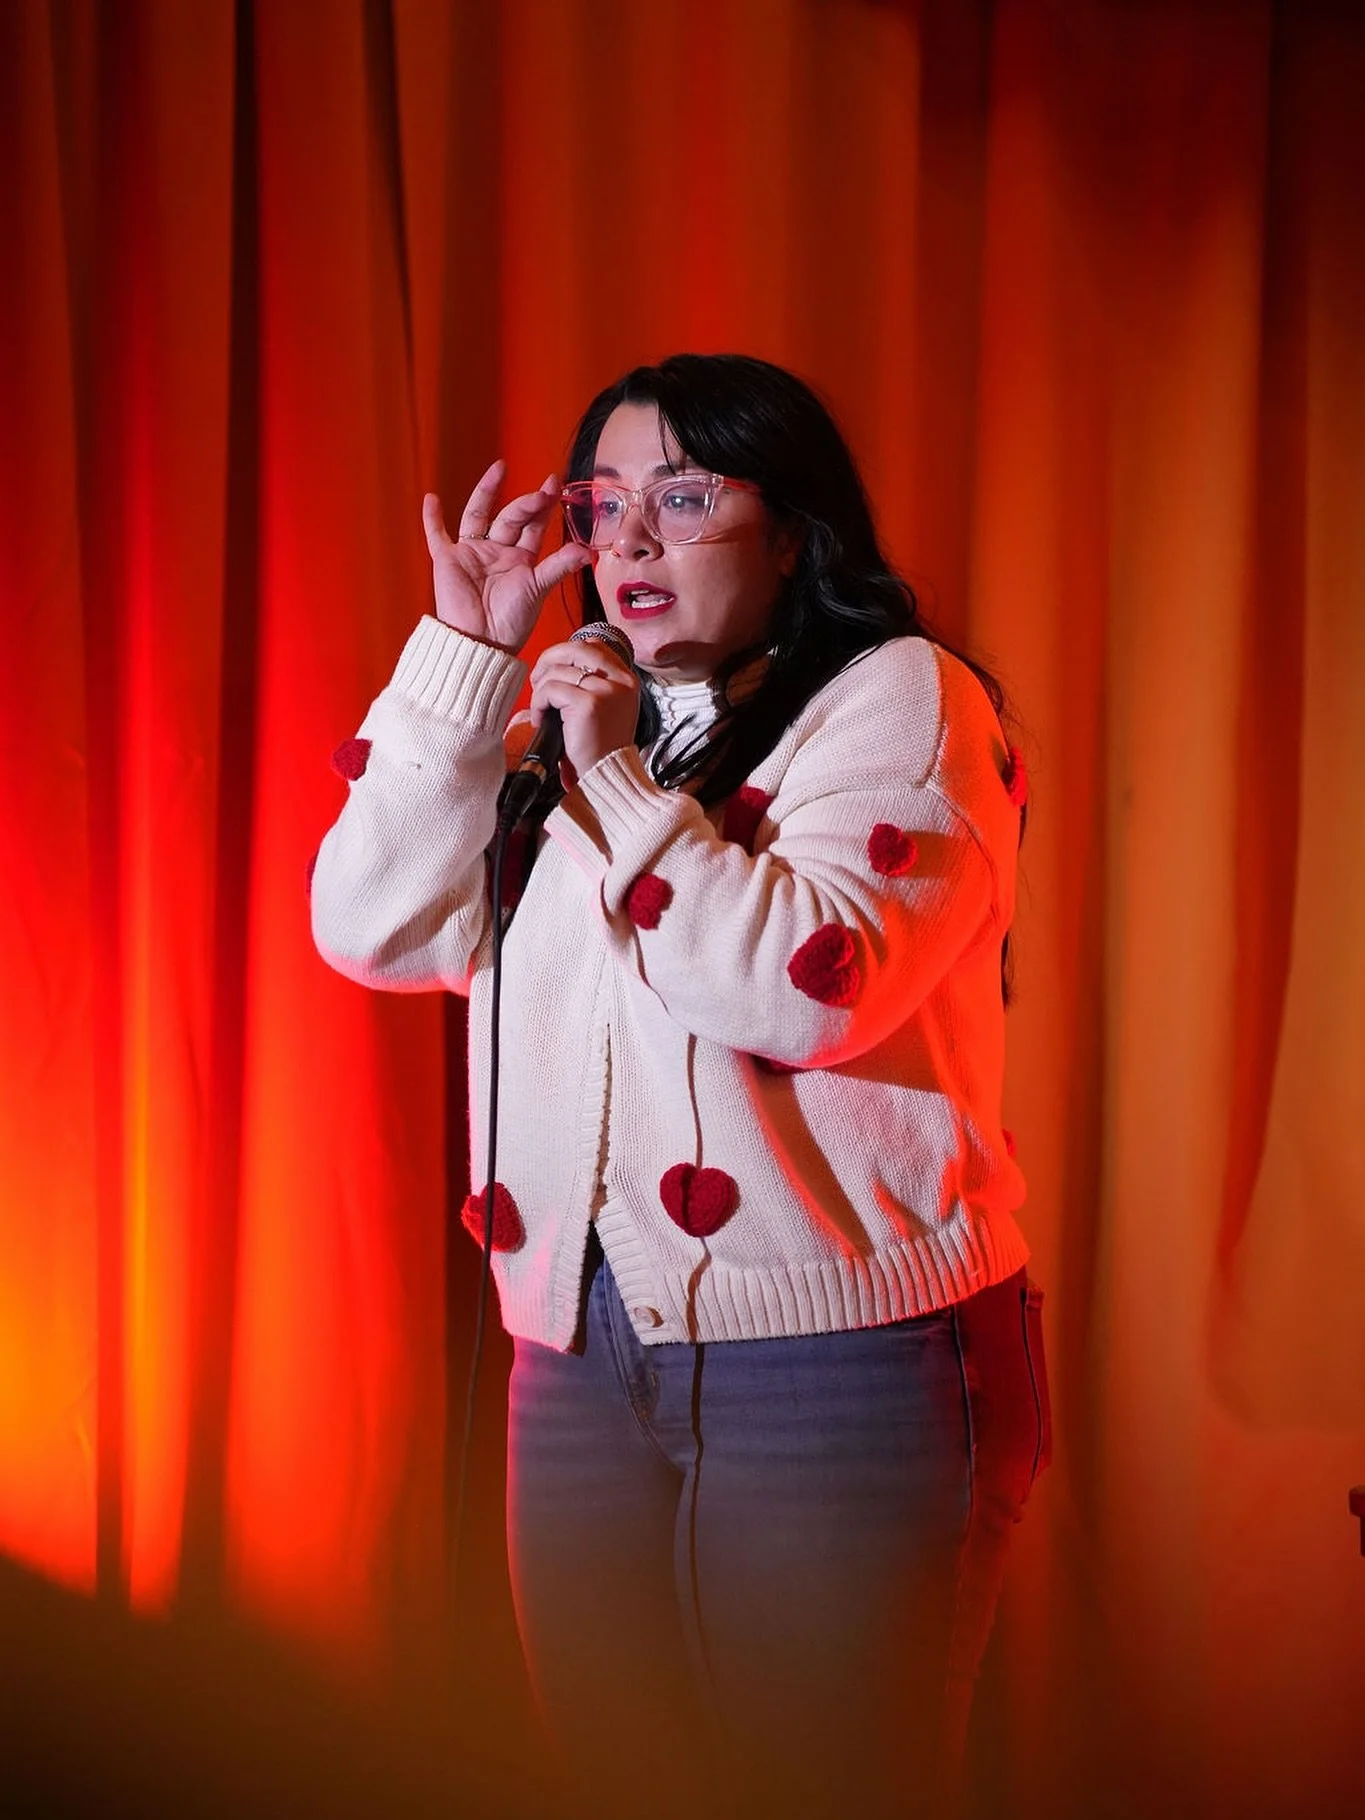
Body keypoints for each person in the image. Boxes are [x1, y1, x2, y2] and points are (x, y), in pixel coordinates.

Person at [311, 353, 1050, 1820]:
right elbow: (377, 925)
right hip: (576, 1353)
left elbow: (800, 984)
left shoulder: (904, 702)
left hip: (846, 1352)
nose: (630, 539)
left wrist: (620, 787)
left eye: (687, 495)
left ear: (793, 529)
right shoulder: (582, 739)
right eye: (605, 502)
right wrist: (466, 653)